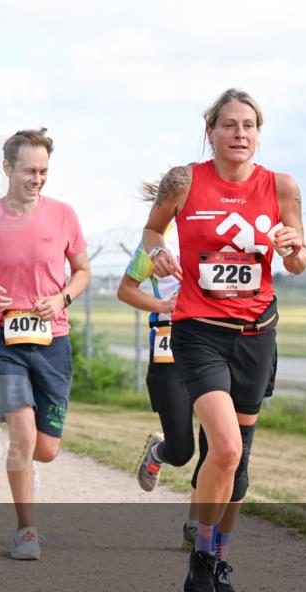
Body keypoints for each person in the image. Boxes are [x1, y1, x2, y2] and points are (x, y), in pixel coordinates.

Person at [144, 88, 306, 592]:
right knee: (226, 447)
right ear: (210, 131)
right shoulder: (184, 181)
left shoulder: (280, 186)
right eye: (229, 125)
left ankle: (216, 554)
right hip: (199, 332)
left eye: (249, 126)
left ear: (258, 134)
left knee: (239, 468)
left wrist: (295, 249)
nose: (240, 134)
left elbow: (298, 262)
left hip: (257, 335)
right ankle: (199, 550)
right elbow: (151, 231)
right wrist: (158, 254)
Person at [0, 128, 90, 560]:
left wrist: (63, 297)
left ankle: (30, 472)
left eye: (44, 171)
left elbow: (82, 271)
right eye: (30, 170)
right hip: (0, 337)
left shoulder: (64, 215)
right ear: (8, 167)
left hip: (53, 340)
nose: (37, 178)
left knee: (45, 449)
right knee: (22, 430)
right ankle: (26, 530)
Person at [119, 210, 205, 550]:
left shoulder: (216, 230)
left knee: (214, 445)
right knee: (183, 451)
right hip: (169, 354)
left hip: (214, 348)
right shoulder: (156, 245)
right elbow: (126, 291)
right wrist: (163, 305)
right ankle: (160, 450)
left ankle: (196, 524)